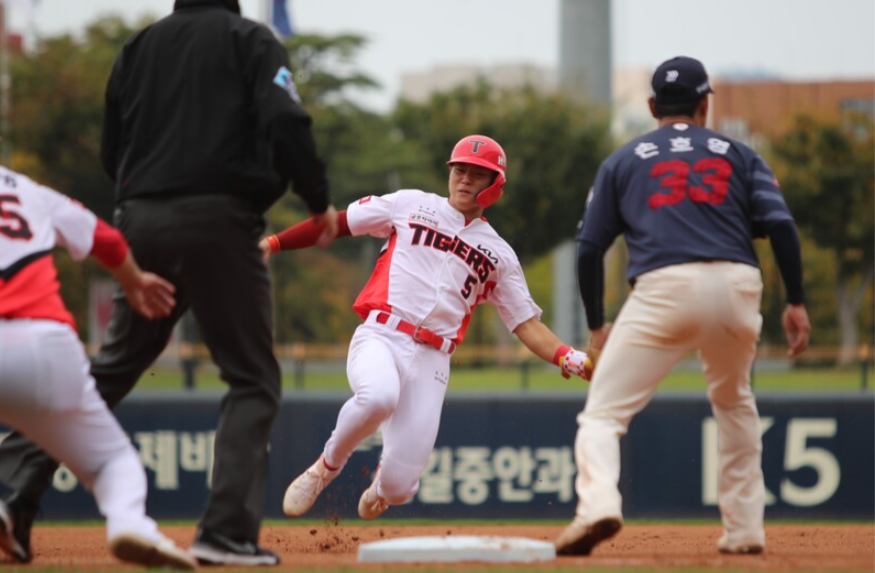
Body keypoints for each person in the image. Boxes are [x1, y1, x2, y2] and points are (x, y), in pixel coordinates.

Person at [0, 0, 338, 566]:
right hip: (220, 222)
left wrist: (147, 197)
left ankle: (10, 500)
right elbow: (285, 121)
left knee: (107, 372)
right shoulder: (250, 39)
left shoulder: (138, 47)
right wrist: (317, 198)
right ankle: (225, 534)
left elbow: (111, 147)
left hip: (142, 222)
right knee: (252, 378)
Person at [554, 56, 811, 557]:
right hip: (738, 284)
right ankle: (744, 530)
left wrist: (597, 325)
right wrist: (797, 302)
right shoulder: (740, 154)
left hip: (663, 286)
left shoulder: (624, 159)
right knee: (735, 401)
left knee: (603, 415)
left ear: (651, 106)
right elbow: (780, 225)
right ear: (704, 105)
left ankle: (598, 507)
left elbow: (589, 247)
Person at [260, 134, 593, 521]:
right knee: (378, 397)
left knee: (400, 491)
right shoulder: (409, 204)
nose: (465, 179)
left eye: (478, 174)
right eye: (460, 170)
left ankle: (382, 486)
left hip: (433, 359)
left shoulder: (500, 253)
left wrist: (569, 358)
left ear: (495, 185)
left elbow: (526, 325)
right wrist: (275, 242)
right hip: (382, 334)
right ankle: (324, 469)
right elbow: (338, 223)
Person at [0, 165, 195, 569]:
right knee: (112, 462)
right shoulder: (27, 190)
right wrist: (134, 280)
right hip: (45, 345)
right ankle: (129, 523)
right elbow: (106, 239)